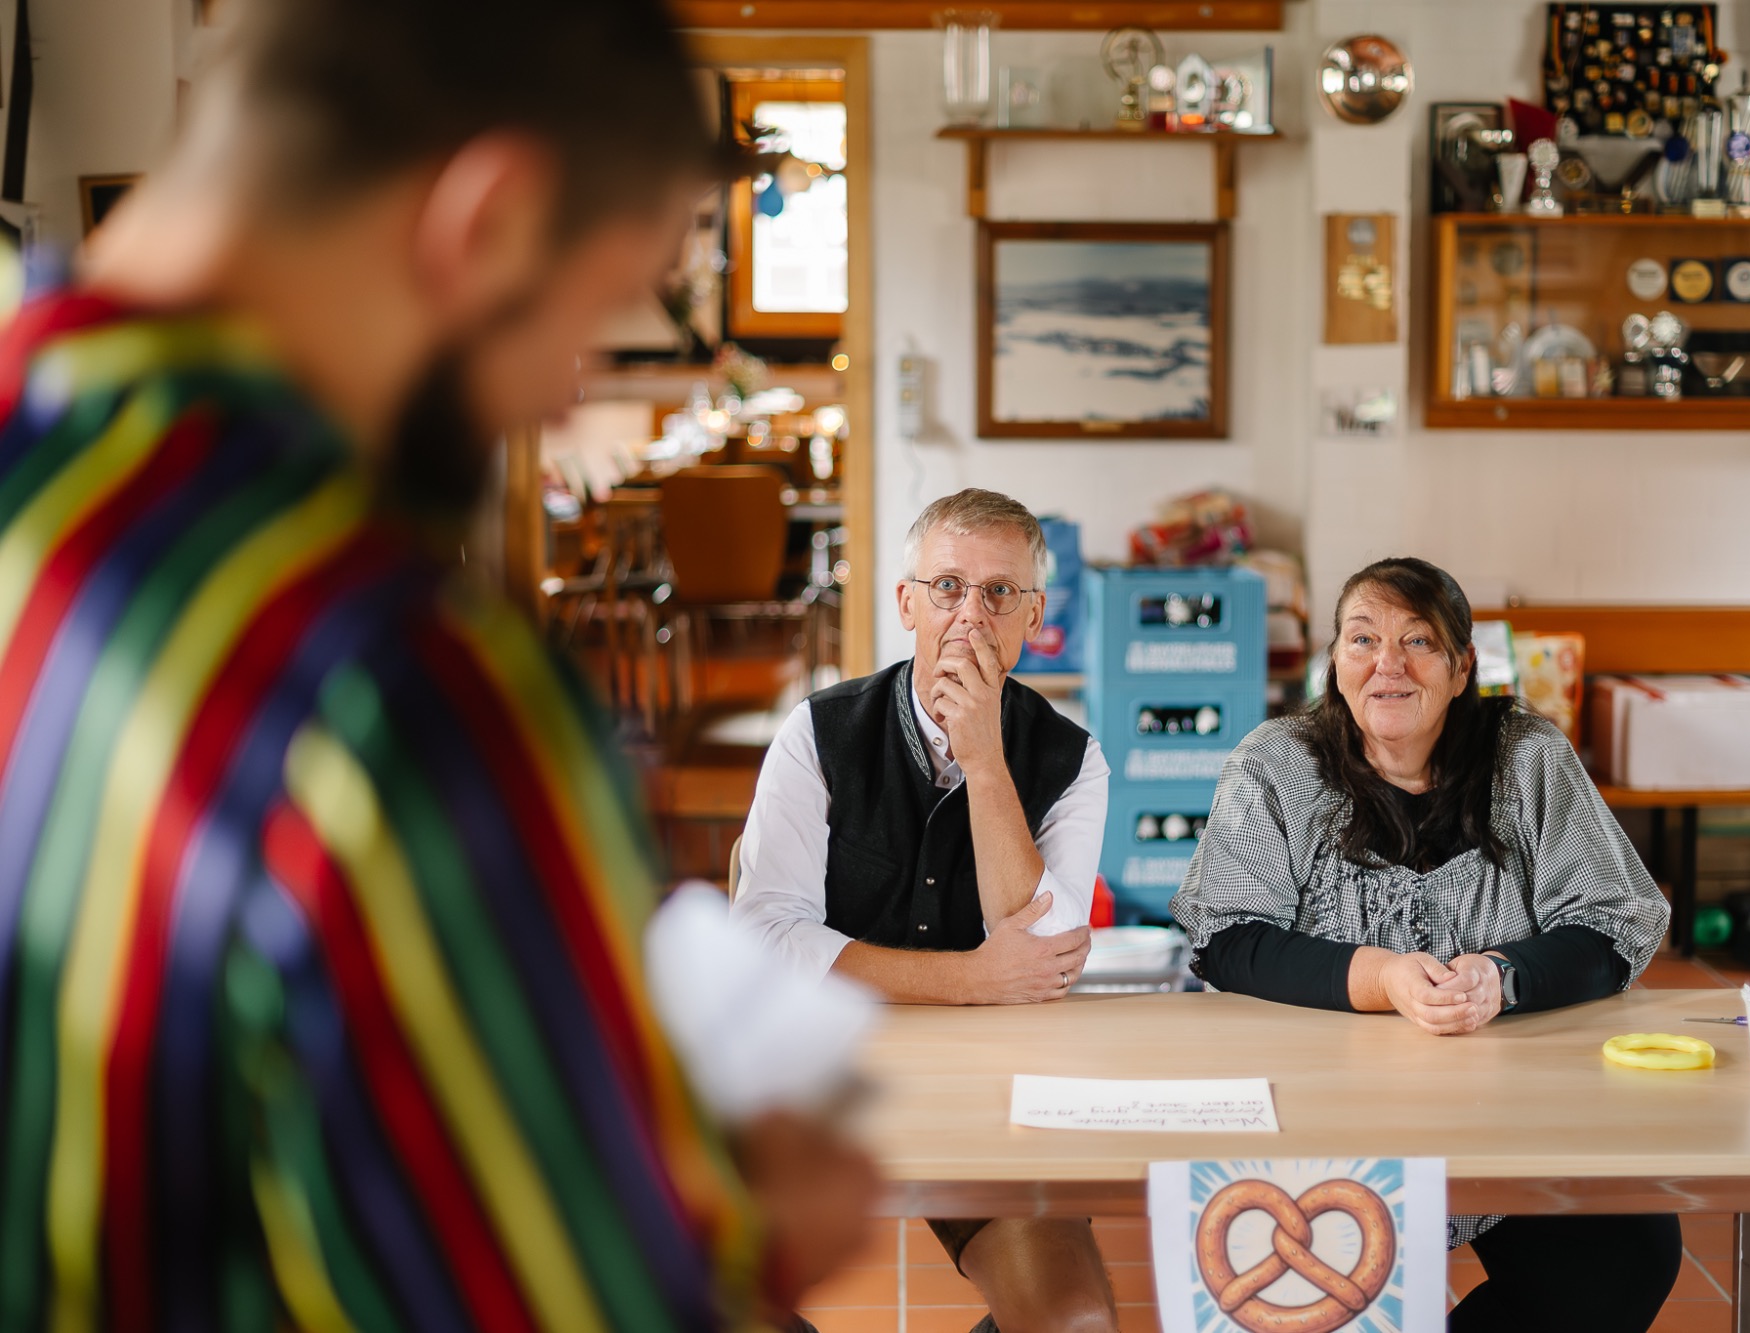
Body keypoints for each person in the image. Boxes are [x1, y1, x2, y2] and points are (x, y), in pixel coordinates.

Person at [0, 0, 875, 1329]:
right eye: (585, 318)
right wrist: (753, 1231)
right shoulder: (390, 677)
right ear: (493, 221)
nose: (561, 397)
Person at [1171, 556, 1678, 1333]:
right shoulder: (1275, 764)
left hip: (1512, 1109)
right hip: (1321, 1113)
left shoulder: (1528, 757)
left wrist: (1501, 976)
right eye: (1363, 639)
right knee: (1310, 1301)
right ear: (1334, 659)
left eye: (1418, 641)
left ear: (1462, 664)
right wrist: (1381, 976)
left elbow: (1612, 924)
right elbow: (1228, 938)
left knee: (1627, 1250)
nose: (1388, 665)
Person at [732, 488, 1118, 1333]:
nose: (971, 614)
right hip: (813, 1075)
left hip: (993, 1089)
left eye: (999, 592)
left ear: (1033, 617)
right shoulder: (817, 733)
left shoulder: (1073, 759)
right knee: (705, 1296)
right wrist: (972, 979)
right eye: (947, 587)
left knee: (1076, 1318)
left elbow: (1046, 953)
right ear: (907, 603)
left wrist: (984, 759)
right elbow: (764, 937)